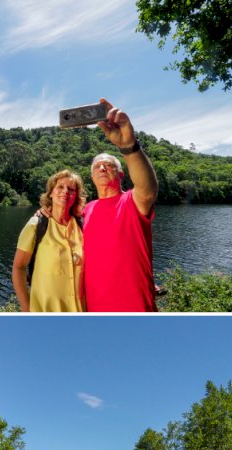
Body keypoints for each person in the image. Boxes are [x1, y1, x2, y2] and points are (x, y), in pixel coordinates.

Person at [81, 98, 159, 312]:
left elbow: (148, 189)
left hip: (135, 308)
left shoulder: (132, 201)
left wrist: (128, 147)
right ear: (92, 176)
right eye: (97, 166)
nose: (103, 168)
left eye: (109, 165)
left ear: (121, 174)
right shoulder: (86, 210)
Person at [13, 170, 87, 312]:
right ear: (51, 193)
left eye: (71, 189)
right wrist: (26, 308)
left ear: (76, 196)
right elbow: (19, 267)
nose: (65, 191)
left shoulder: (83, 227)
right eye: (60, 187)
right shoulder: (36, 225)